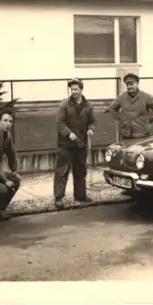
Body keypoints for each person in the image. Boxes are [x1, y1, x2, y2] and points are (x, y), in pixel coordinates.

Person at [54, 78, 96, 209]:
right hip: (65, 145)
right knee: (62, 171)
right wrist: (68, 133)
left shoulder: (88, 106)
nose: (74, 92)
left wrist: (91, 129)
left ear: (81, 89)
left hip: (80, 145)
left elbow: (92, 121)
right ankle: (58, 198)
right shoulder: (64, 105)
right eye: (72, 89)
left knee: (80, 171)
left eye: (76, 89)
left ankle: (80, 195)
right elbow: (59, 123)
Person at [107, 73, 153, 140]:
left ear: (137, 84)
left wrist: (148, 120)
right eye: (127, 85)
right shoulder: (122, 97)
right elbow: (111, 108)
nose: (129, 87)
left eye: (131, 84)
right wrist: (121, 118)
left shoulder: (146, 96)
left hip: (142, 133)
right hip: (126, 133)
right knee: (125, 150)